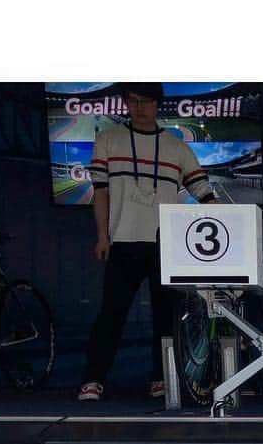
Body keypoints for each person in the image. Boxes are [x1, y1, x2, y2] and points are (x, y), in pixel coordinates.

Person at [79, 82, 217, 402]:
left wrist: (228, 221)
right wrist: (102, 235)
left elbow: (202, 191)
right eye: (133, 101)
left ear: (158, 105)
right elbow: (100, 192)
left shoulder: (176, 146)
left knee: (165, 316)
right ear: (126, 103)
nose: (139, 107)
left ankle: (161, 377)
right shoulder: (108, 139)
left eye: (146, 101)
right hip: (122, 240)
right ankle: (93, 379)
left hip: (165, 244)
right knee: (111, 314)